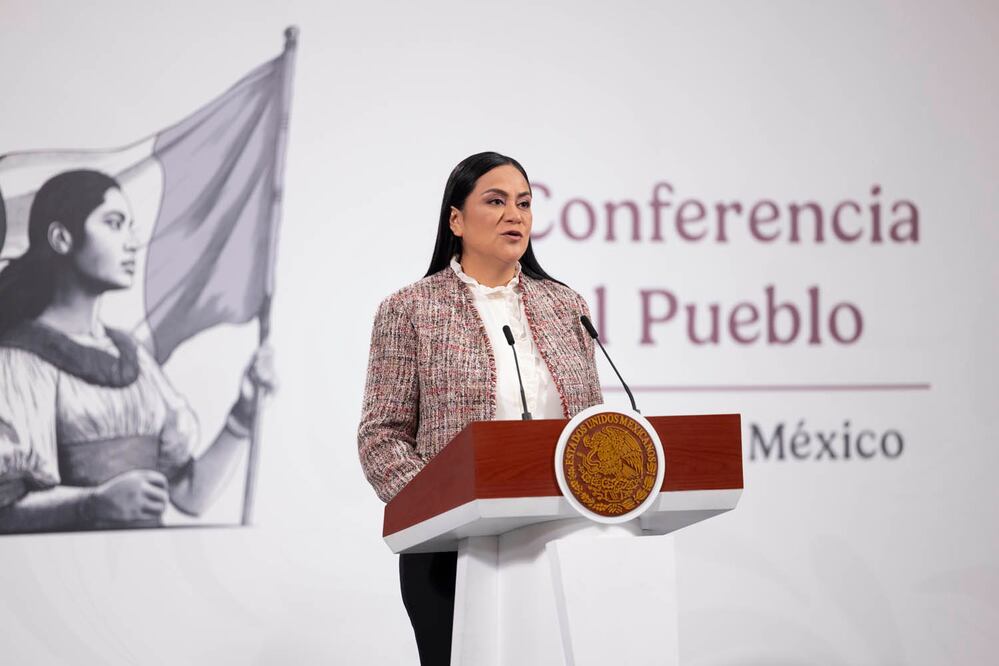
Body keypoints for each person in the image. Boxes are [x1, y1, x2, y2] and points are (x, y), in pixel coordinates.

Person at [357, 152, 603, 664]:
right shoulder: (409, 310)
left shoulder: (567, 306)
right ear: (456, 220)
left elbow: (593, 429)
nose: (515, 215)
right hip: (449, 549)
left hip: (561, 542)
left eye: (524, 203)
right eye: (495, 201)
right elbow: (381, 436)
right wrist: (438, 507)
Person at [0, 169, 272, 532]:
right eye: (114, 224)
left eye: (130, 225)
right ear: (61, 238)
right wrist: (92, 503)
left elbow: (190, 495)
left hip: (145, 573)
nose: (131, 242)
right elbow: (5, 511)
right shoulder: (19, 361)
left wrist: (243, 414)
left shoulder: (135, 358)